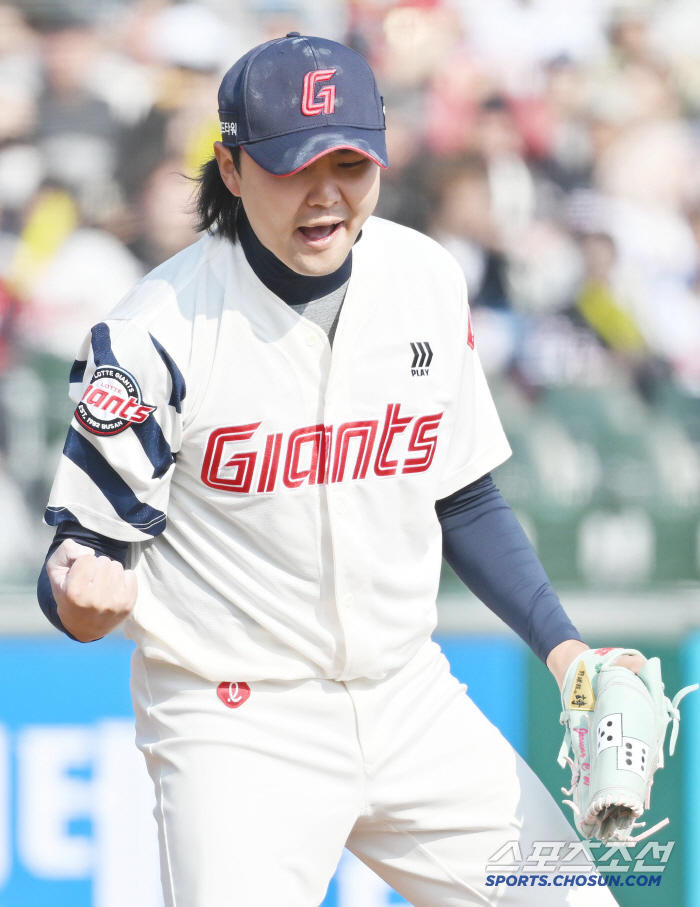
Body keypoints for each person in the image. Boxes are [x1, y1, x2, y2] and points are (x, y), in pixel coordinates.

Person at [39, 34, 635, 906]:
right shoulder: (153, 335)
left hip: (409, 695)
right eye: (294, 166)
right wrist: (79, 597)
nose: (326, 194)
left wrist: (565, 647)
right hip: (235, 719)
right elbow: (79, 557)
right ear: (233, 169)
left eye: (351, 162)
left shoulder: (423, 277)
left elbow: (462, 495)